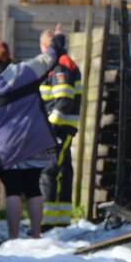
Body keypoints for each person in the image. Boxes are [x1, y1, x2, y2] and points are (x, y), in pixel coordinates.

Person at [0, 38, 59, 239]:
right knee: (33, 187)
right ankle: (36, 234)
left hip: (7, 147)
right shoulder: (25, 70)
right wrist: (55, 42)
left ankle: (14, 236)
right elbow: (48, 59)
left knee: (13, 189)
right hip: (36, 140)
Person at [38, 27, 81, 228]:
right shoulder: (60, 64)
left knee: (49, 170)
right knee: (62, 169)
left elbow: (64, 99)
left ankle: (48, 221)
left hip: (58, 128)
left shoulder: (59, 67)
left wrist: (51, 127)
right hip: (60, 127)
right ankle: (59, 220)